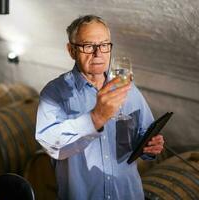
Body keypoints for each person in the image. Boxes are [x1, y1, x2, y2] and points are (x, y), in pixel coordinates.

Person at [35, 15, 164, 200]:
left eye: (104, 45)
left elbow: (144, 133)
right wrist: (95, 118)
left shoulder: (126, 88)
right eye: (88, 46)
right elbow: (53, 145)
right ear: (71, 50)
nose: (98, 53)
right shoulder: (54, 93)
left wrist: (150, 147)